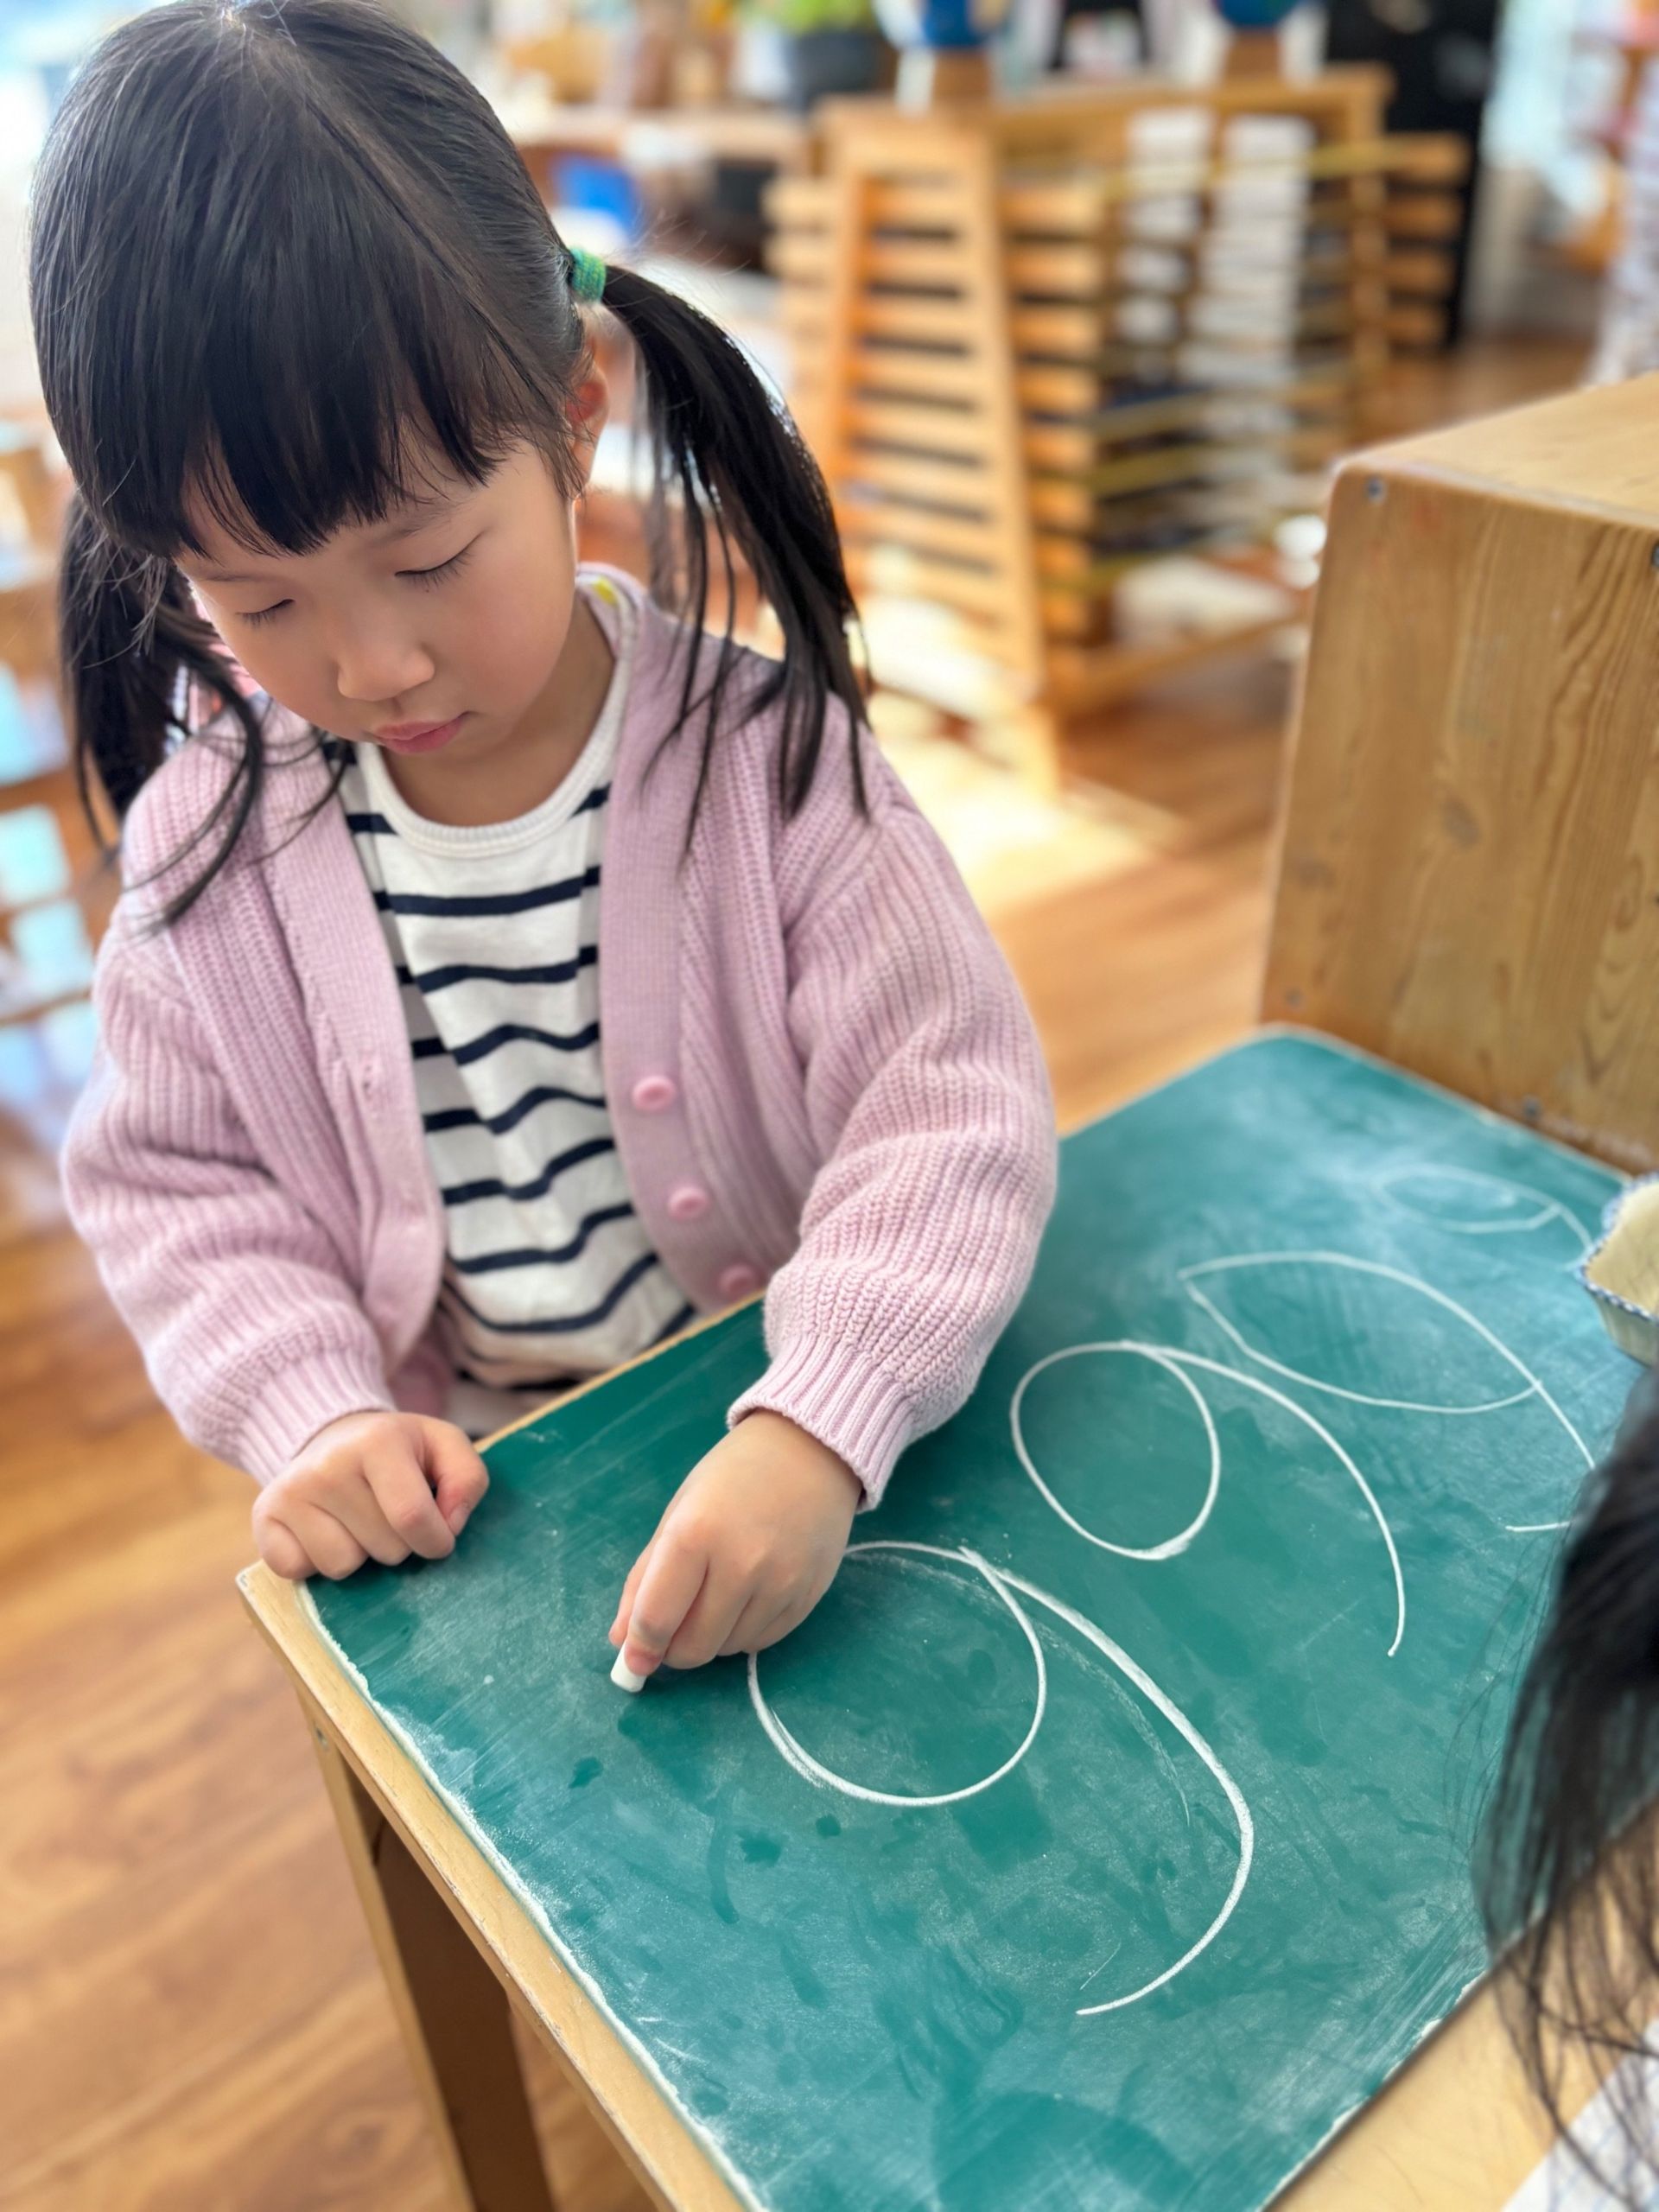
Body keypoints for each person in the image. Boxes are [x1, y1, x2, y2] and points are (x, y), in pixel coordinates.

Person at [37, 0, 1056, 1685]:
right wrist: (314, 1411)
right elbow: (176, 1184)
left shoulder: (772, 768)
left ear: (575, 410)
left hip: (791, 1419)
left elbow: (950, 1106)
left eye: (430, 559)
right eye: (258, 599)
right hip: (485, 1498)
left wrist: (823, 1414)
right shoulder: (208, 848)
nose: (371, 665)